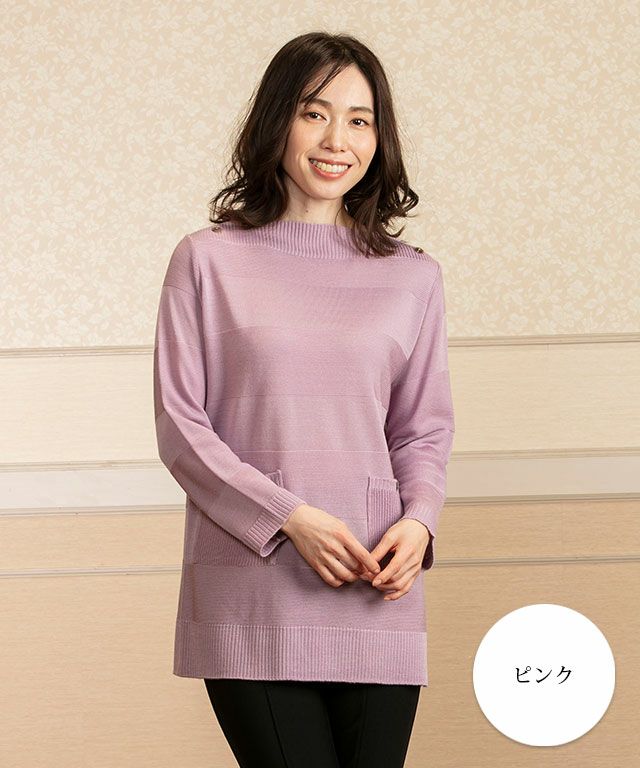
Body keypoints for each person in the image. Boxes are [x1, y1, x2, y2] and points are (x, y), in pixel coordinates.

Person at [153, 31, 455, 768]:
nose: (336, 140)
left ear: (379, 139)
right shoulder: (208, 260)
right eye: (314, 113)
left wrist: (419, 523)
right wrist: (289, 517)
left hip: (374, 587)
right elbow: (182, 427)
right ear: (277, 121)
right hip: (252, 590)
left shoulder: (413, 276)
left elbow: (421, 429)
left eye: (359, 120)